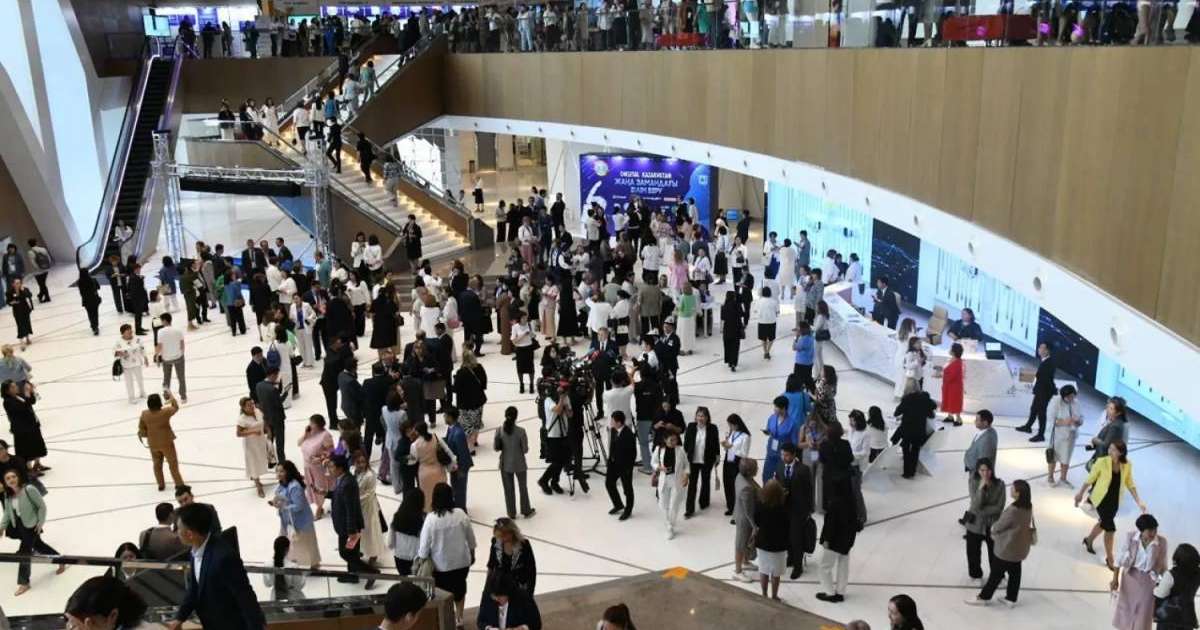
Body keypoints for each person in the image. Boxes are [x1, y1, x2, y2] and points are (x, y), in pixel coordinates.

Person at [169, 503, 265, 629]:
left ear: (190, 534)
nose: (177, 532)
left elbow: (244, 596)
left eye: (179, 528)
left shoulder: (224, 557)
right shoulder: (195, 551)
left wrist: (256, 627)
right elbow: (194, 588)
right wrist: (179, 618)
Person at [1077, 440, 1149, 568]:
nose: (1110, 451)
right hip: (1101, 500)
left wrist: (1139, 501)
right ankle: (1110, 558)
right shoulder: (1102, 462)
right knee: (1110, 529)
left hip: (1114, 501)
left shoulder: (1127, 465)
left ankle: (1088, 540)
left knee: (1103, 523)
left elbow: (1130, 483)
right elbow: (1090, 479)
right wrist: (1080, 493)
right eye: (1110, 448)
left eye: (1114, 449)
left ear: (1121, 453)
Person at [966, 479, 1035, 607]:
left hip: (1007, 548)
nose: (1011, 489)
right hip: (1020, 547)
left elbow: (999, 526)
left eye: (1013, 488)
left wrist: (993, 529)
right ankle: (1011, 598)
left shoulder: (1013, 509)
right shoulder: (1028, 506)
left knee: (995, 575)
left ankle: (983, 597)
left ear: (1018, 493)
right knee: (1015, 573)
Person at [417, 483, 476, 626]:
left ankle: (445, 619)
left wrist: (422, 558)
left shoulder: (431, 519)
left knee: (443, 593)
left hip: (440, 566)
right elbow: (471, 538)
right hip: (461, 562)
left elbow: (424, 546)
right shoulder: (461, 514)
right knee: (460, 589)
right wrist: (472, 553)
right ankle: (459, 618)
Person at [816, 422, 860, 603]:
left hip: (834, 538)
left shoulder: (834, 502)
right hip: (848, 538)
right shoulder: (851, 500)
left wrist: (824, 539)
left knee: (825, 565)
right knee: (844, 561)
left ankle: (830, 592)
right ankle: (841, 590)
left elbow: (830, 523)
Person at [2, 468, 64, 596]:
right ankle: (61, 559)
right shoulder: (8, 495)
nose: (11, 480)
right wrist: (1, 527)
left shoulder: (29, 489)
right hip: (20, 526)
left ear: (18, 477)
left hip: (32, 526)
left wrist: (40, 522)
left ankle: (24, 582)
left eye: (13, 476)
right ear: (5, 482)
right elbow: (7, 514)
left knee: (24, 553)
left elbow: (41, 506)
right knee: (39, 545)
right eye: (8, 478)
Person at [1110, 514, 1167, 630]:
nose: (1153, 533)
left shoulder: (1161, 542)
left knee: (1143, 611)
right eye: (1150, 530)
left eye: (1155, 529)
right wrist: (1115, 579)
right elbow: (1118, 559)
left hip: (1149, 580)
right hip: (1130, 577)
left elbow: (1163, 565)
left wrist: (1165, 583)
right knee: (1127, 608)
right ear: (1141, 531)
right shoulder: (1131, 538)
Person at [328, 454, 379, 585]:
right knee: (352, 553)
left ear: (340, 468)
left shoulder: (347, 483)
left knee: (346, 553)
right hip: (345, 525)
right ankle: (353, 575)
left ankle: (371, 572)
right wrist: (326, 493)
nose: (330, 469)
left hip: (348, 527)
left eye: (332, 466)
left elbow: (350, 508)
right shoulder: (342, 479)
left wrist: (351, 530)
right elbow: (340, 496)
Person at [269, 461, 320, 570]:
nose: (278, 473)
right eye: (277, 471)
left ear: (288, 472)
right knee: (289, 542)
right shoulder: (282, 485)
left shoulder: (295, 486)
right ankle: (293, 562)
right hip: (288, 520)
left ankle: (314, 565)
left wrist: (282, 506)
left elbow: (298, 506)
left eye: (281, 471)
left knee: (308, 543)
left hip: (301, 521)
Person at [774, 443, 814, 579]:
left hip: (798, 510)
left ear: (793, 455)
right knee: (787, 536)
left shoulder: (803, 469)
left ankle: (798, 566)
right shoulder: (779, 466)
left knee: (796, 538)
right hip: (784, 509)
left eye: (786, 455)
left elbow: (809, 491)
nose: (783, 457)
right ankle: (790, 558)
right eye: (782, 454)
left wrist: (809, 509)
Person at [964, 457, 1006, 583]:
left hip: (992, 525)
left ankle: (998, 576)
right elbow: (976, 504)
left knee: (995, 553)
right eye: (982, 470)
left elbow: (999, 507)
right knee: (973, 552)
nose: (985, 473)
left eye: (988, 470)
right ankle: (976, 575)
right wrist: (981, 489)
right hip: (974, 525)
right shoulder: (973, 482)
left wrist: (980, 510)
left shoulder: (1000, 484)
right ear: (978, 471)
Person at [138, 391, 184, 491]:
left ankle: (161, 484)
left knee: (157, 464)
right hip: (166, 442)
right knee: (173, 464)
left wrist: (147, 434)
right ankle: (179, 484)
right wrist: (171, 397)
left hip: (153, 443)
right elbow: (175, 407)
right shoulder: (165, 412)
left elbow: (141, 428)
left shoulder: (145, 414)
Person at [495, 406, 535, 519]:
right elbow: (525, 450)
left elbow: (496, 448)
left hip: (505, 463)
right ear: (516, 417)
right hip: (520, 463)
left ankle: (511, 512)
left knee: (508, 489)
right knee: (523, 487)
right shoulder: (521, 431)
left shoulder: (499, 430)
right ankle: (526, 510)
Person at [753, 479, 789, 601]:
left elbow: (756, 521)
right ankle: (774, 596)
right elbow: (787, 525)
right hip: (778, 545)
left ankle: (764, 594)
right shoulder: (783, 508)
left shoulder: (760, 505)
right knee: (775, 573)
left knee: (763, 570)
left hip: (763, 542)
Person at [353, 451, 388, 568]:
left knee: (370, 530)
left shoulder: (370, 475)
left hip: (368, 507)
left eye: (363, 462)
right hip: (358, 508)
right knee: (361, 531)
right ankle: (362, 549)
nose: (361, 464)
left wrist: (355, 499)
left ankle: (373, 554)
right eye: (358, 462)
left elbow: (370, 493)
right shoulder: (355, 473)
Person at [652, 427, 689, 539]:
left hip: (676, 479)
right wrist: (659, 467)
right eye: (671, 440)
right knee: (663, 504)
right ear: (665, 439)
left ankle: (670, 526)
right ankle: (668, 522)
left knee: (674, 504)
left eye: (675, 440)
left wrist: (686, 475)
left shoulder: (681, 450)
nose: (674, 442)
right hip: (664, 479)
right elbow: (653, 462)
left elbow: (687, 465)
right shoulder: (659, 449)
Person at [1153, 543, 1200, 630]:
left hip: (1169, 618)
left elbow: (1160, 594)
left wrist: (1154, 587)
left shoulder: (1171, 574)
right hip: (1187, 617)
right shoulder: (1197, 574)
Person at [1016, 342, 1057, 442]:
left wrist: (1050, 391)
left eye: (1041, 348)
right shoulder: (1044, 361)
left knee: (1041, 413)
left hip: (1044, 392)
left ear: (1047, 350)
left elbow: (1047, 380)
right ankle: (1028, 426)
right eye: (1039, 347)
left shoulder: (1049, 363)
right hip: (1040, 390)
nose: (1039, 349)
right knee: (1034, 409)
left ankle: (1041, 434)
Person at [683, 406, 720, 518]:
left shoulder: (713, 428)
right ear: (695, 416)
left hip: (707, 460)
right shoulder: (690, 427)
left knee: (705, 481)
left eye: (703, 416)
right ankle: (689, 509)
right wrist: (684, 458)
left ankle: (704, 502)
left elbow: (716, 443)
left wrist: (717, 456)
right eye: (698, 415)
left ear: (707, 417)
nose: (700, 418)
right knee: (692, 485)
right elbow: (686, 444)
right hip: (693, 461)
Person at [409, 420, 453, 511]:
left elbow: (412, 461)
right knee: (441, 494)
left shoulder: (415, 445)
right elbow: (447, 449)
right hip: (439, 470)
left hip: (425, 474)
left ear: (417, 432)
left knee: (427, 497)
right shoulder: (436, 437)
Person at [487, 517, 538, 595]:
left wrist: (530, 592)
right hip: (500, 588)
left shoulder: (524, 545)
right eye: (499, 536)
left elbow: (531, 570)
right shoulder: (496, 542)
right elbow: (491, 565)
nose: (501, 539)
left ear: (511, 532)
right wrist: (488, 588)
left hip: (519, 587)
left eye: (503, 536)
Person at [892, 388, 936, 479]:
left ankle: (906, 472)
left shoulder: (907, 399)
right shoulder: (924, 399)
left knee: (906, 450)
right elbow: (933, 409)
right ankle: (912, 471)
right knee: (915, 450)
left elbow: (896, 413)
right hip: (919, 430)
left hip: (907, 429)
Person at [477, 572, 542, 630]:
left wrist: (521, 628)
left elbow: (536, 624)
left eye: (500, 597)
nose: (497, 600)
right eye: (494, 597)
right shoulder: (487, 595)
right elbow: (480, 621)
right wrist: (489, 628)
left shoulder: (524, 598)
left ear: (509, 592)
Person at [299, 414, 334, 519]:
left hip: (319, 468)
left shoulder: (325, 435)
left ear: (317, 424)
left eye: (312, 423)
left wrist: (321, 458)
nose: (309, 425)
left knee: (319, 487)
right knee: (311, 487)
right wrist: (305, 434)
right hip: (307, 466)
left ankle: (319, 508)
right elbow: (299, 443)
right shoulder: (310, 433)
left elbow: (331, 451)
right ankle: (319, 506)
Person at [1046, 385, 1083, 486]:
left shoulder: (1076, 403)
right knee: (1054, 456)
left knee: (1066, 458)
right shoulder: (1055, 402)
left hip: (1071, 436)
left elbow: (1082, 418)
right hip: (1057, 436)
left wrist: (1078, 421)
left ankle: (1063, 478)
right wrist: (1065, 421)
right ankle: (1050, 476)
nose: (1071, 399)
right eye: (1069, 397)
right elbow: (1051, 419)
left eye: (1073, 396)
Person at [732, 457, 761, 583]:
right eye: (756, 468)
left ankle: (745, 561)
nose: (758, 469)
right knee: (741, 544)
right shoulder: (746, 488)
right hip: (745, 520)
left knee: (744, 542)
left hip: (741, 514)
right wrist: (754, 526)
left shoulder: (741, 476)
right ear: (749, 471)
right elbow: (748, 511)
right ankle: (738, 571)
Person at [236, 397, 269, 497]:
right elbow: (238, 433)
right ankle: (258, 486)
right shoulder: (241, 419)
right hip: (250, 444)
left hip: (260, 441)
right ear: (243, 407)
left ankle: (255, 478)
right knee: (253, 463)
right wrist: (253, 432)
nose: (252, 406)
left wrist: (268, 432)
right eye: (249, 405)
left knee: (261, 460)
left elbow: (263, 422)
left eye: (252, 404)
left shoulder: (257, 411)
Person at [456, 349, 489, 453]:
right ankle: (475, 441)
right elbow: (484, 383)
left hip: (465, 403)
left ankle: (470, 447)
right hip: (478, 400)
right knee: (476, 422)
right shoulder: (479, 368)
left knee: (466, 425)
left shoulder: (461, 372)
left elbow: (456, 389)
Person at [389, 487, 425, 575]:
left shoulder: (397, 517)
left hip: (400, 559)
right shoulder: (424, 519)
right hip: (417, 560)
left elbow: (390, 544)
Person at [256, 366, 288, 462]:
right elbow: (278, 402)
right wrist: (285, 393)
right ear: (273, 375)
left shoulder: (259, 385)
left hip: (267, 416)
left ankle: (269, 458)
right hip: (277, 418)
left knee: (270, 438)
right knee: (280, 441)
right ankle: (282, 461)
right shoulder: (272, 389)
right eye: (277, 375)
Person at [444, 408, 474, 510]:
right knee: (455, 487)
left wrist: (461, 470)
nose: (444, 418)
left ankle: (461, 509)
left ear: (451, 417)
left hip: (460, 466)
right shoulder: (451, 428)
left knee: (460, 489)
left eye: (445, 416)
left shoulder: (458, 434)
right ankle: (457, 506)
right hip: (454, 465)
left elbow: (463, 453)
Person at [762, 396, 797, 482]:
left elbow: (794, 442)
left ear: (783, 408)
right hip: (771, 452)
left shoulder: (792, 423)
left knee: (781, 478)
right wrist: (768, 432)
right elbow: (769, 429)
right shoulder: (772, 418)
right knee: (766, 475)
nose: (774, 409)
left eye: (776, 407)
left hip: (783, 455)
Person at [155, 313, 187, 402]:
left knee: (166, 377)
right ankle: (183, 396)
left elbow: (160, 345)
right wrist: (181, 353)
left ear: (164, 321)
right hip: (178, 357)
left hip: (166, 358)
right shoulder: (178, 330)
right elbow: (182, 344)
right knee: (181, 377)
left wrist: (157, 356)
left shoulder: (160, 332)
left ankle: (167, 396)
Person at [263, 536, 306, 601]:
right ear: (287, 549)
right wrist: (304, 575)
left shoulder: (267, 564)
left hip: (275, 599)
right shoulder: (293, 566)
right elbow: (299, 585)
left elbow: (267, 584)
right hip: (292, 599)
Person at [114, 324, 149, 404]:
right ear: (123, 333)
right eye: (128, 332)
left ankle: (142, 392)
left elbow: (142, 348)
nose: (130, 333)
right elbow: (114, 352)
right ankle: (131, 397)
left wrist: (145, 357)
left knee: (140, 379)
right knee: (129, 382)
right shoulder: (119, 342)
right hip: (127, 365)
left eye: (131, 331)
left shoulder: (137, 339)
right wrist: (121, 353)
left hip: (137, 362)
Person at [963, 410, 998, 479]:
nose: (974, 421)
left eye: (977, 420)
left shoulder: (987, 440)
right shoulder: (987, 431)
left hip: (977, 476)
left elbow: (983, 463)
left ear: (985, 423)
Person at [940, 342, 965, 425]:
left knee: (955, 402)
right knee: (948, 400)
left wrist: (941, 374)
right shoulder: (952, 360)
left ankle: (959, 419)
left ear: (954, 351)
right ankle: (950, 416)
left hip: (954, 386)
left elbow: (952, 375)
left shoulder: (958, 363)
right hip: (949, 385)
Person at [6, 278, 34, 347]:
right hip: (17, 311)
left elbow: (29, 295)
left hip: (25, 309)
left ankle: (27, 338)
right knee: (20, 325)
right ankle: (21, 341)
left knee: (27, 323)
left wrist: (23, 290)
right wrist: (12, 302)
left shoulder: (24, 289)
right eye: (17, 283)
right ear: (13, 284)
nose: (18, 284)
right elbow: (8, 302)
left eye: (19, 282)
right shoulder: (9, 292)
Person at [721, 291, 743, 371]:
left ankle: (729, 361)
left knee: (728, 345)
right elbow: (742, 314)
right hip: (736, 328)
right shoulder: (737, 305)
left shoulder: (724, 306)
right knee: (735, 346)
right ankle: (734, 363)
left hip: (727, 328)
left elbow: (722, 318)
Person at [78, 267, 102, 335]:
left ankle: (93, 326)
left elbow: (81, 293)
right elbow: (98, 287)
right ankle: (96, 326)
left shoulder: (80, 282)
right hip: (94, 299)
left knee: (90, 314)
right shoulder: (93, 280)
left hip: (86, 301)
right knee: (95, 313)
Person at [792, 322, 815, 391]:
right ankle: (813, 391)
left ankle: (800, 393)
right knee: (808, 378)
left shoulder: (804, 340)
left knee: (799, 380)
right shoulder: (811, 336)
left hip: (801, 364)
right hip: (809, 362)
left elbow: (794, 347)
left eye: (799, 329)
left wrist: (796, 337)